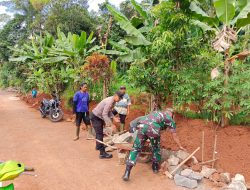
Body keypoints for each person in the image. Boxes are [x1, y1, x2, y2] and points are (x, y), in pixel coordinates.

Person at [122, 109, 185, 181]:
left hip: (142, 127)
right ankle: (155, 167)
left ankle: (127, 172)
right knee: (155, 147)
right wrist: (180, 145)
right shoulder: (169, 118)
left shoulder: (154, 113)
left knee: (136, 149)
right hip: (153, 129)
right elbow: (174, 135)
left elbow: (139, 121)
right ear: (171, 114)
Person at [90, 91, 124, 159]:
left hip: (98, 116)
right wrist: (111, 124)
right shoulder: (110, 101)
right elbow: (104, 114)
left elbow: (109, 111)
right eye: (119, 98)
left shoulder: (113, 100)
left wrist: (114, 118)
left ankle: (98, 146)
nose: (119, 100)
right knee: (100, 134)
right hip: (96, 117)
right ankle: (102, 154)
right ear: (116, 96)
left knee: (99, 133)